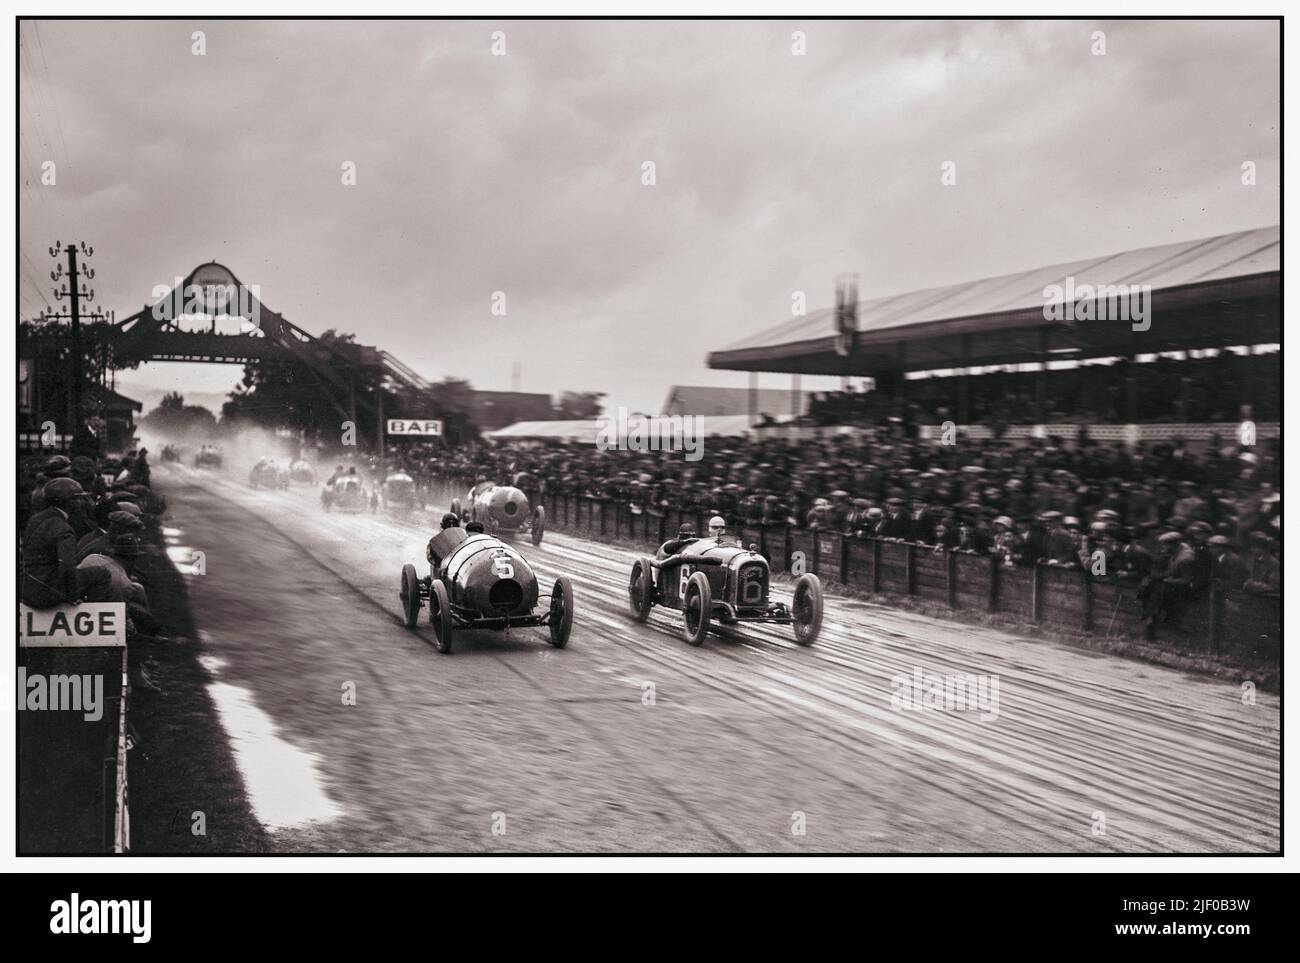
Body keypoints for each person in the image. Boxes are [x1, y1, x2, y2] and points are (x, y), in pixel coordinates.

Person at [21, 478, 111, 609]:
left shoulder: (35, 519)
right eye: (78, 499)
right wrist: (73, 597)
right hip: (45, 593)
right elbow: (67, 567)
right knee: (102, 573)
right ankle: (91, 612)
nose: (81, 503)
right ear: (70, 502)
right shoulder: (63, 528)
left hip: (27, 588)